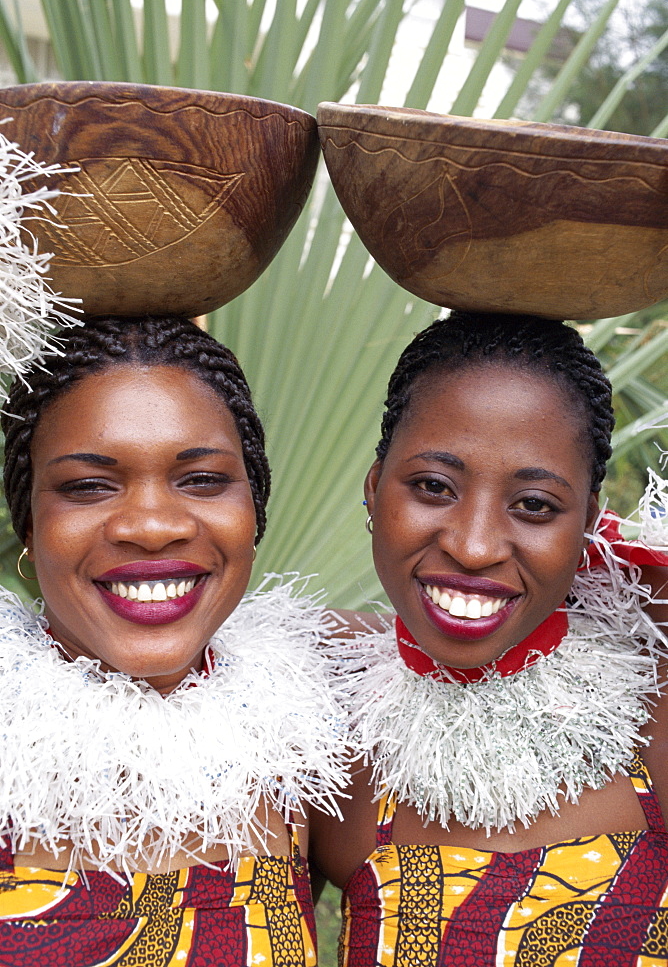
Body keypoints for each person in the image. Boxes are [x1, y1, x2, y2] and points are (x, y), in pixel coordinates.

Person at [310, 311, 668, 965]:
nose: (473, 547)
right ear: (374, 488)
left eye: (534, 504)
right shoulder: (319, 733)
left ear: (589, 521)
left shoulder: (654, 713)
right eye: (433, 487)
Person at [0, 315, 349, 966]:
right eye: (88, 486)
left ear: (255, 512)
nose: (153, 526)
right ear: (29, 521)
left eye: (202, 479)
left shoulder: (315, 724)